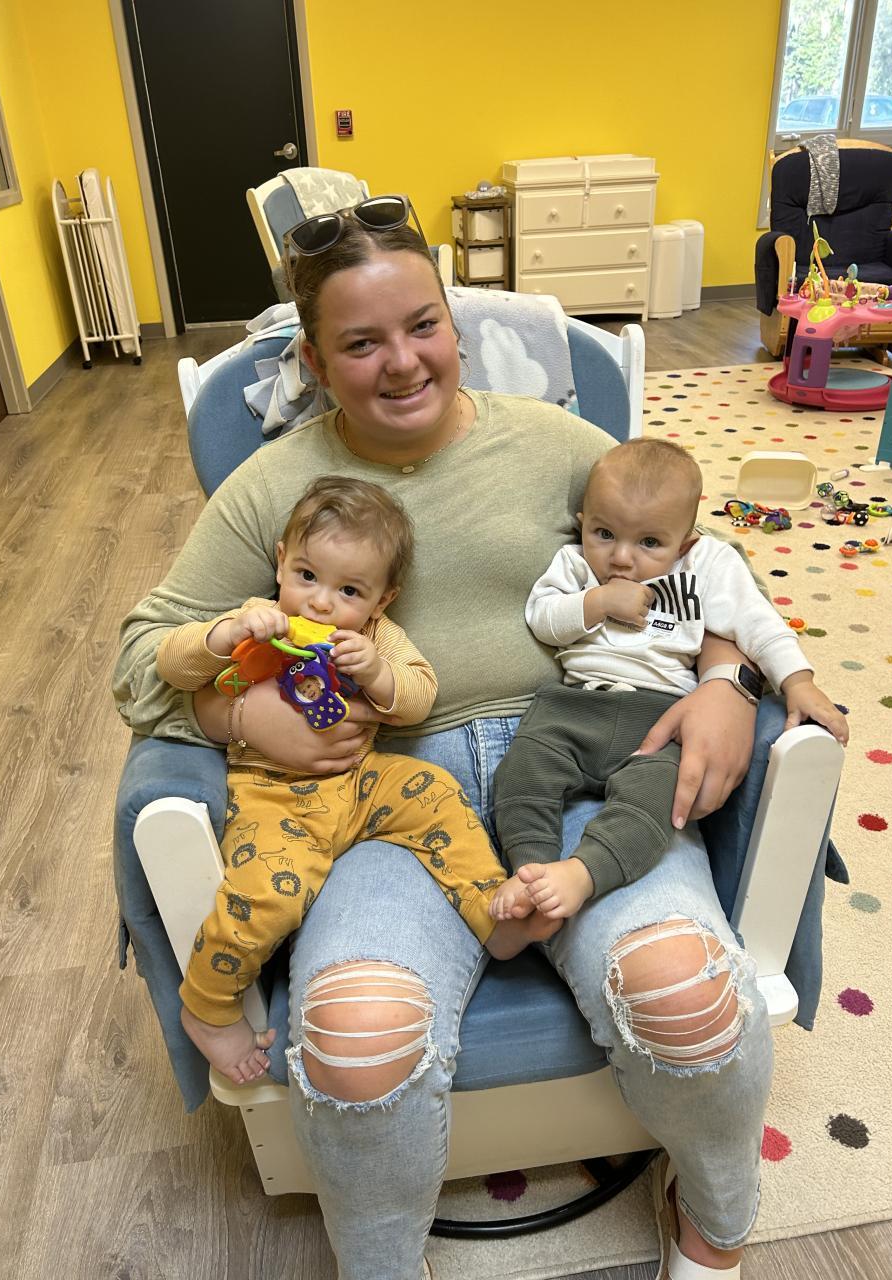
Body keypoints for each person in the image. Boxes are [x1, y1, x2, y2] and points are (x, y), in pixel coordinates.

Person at [114, 196, 778, 1280]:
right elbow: (141, 656)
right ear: (313, 362)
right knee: (357, 1039)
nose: (403, 361)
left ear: (454, 322)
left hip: (581, 757)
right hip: (377, 796)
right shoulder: (271, 489)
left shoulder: (561, 447)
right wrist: (238, 713)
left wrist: (727, 680)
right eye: (360, 342)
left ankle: (715, 1225)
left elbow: (704, 565)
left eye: (423, 323)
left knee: (684, 990)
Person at [156, 474, 551, 1083]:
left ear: (382, 599)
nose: (319, 603)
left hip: (360, 782)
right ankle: (207, 1005)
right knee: (269, 894)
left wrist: (377, 674)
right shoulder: (256, 619)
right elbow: (173, 663)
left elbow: (418, 697)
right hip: (270, 795)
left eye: (348, 590)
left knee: (436, 793)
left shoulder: (374, 639)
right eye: (307, 575)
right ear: (280, 562)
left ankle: (490, 914)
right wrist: (223, 635)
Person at [490, 439, 849, 924]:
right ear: (582, 521)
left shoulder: (707, 564)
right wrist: (597, 603)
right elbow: (542, 619)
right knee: (523, 772)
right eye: (603, 533)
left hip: (661, 718)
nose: (621, 557)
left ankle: (585, 872)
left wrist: (798, 681)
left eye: (649, 543)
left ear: (685, 542)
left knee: (658, 800)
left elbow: (759, 624)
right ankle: (529, 870)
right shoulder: (575, 565)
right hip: (575, 706)